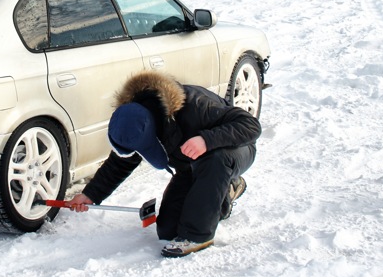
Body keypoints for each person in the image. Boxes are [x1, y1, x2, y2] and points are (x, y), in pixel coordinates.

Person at [65, 69, 260, 257]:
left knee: (215, 162)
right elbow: (120, 163)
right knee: (168, 229)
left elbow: (250, 125)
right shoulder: (134, 120)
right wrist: (90, 195)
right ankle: (225, 192)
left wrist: (206, 140)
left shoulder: (194, 105)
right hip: (191, 166)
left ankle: (197, 237)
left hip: (234, 149)